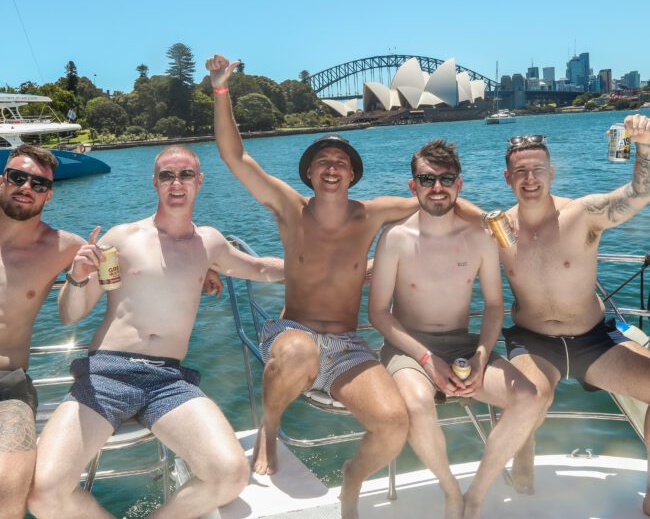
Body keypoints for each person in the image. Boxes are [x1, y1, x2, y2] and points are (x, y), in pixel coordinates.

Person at [209, 52, 438, 519]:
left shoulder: (372, 212)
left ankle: (354, 476)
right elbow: (235, 156)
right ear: (309, 174)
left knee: (394, 423)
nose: (332, 167)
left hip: (347, 343)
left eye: (341, 162)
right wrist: (220, 89)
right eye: (322, 162)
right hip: (292, 333)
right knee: (298, 353)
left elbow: (437, 201)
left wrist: (498, 222)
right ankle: (269, 430)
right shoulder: (289, 207)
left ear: (353, 175)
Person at [29, 145, 284, 519]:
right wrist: (78, 277)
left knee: (228, 475)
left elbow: (259, 268)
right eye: (167, 175)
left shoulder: (208, 242)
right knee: (44, 493)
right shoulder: (123, 237)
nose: (176, 183)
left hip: (166, 380)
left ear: (199, 181)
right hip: (106, 375)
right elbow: (70, 315)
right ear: (155, 182)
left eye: (185, 174)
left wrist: (323, 267)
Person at [368, 139, 542, 519]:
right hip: (408, 348)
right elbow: (379, 313)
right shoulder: (395, 239)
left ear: (459, 185)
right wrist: (427, 359)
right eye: (427, 179)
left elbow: (494, 306)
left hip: (464, 345)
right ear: (412, 186)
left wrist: (481, 355)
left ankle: (476, 493)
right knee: (416, 403)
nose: (437, 187)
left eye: (446, 179)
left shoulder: (480, 238)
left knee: (529, 397)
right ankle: (450, 491)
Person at [497, 114, 650, 513]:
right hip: (533, 341)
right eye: (520, 171)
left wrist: (645, 145)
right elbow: (438, 227)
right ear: (507, 177)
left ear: (552, 171)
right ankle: (525, 451)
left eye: (538, 170)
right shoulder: (496, 228)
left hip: (593, 341)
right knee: (531, 398)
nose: (530, 179)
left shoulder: (584, 214)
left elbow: (639, 192)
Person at [0, 145, 84, 519]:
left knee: (9, 484)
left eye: (38, 182)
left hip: (7, 386)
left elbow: (131, 261)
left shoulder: (63, 246)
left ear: (49, 193)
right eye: (18, 177)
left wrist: (210, 261)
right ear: (2, 180)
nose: (26, 187)